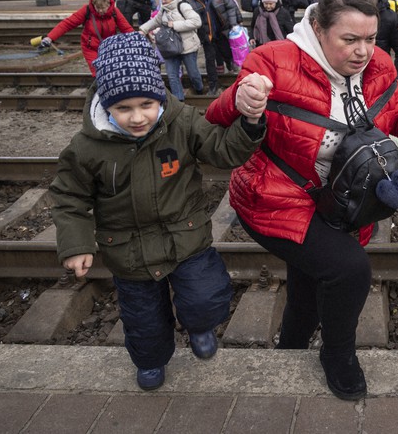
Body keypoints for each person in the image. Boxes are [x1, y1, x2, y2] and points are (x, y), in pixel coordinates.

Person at [204, 0, 398, 401]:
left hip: (340, 201)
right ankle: (338, 355)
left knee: (309, 282)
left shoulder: (377, 65)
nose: (363, 51)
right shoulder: (272, 61)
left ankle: (289, 349)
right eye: (350, 39)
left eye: (370, 39)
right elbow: (215, 118)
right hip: (274, 196)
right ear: (318, 29)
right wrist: (242, 98)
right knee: (348, 269)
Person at [50, 31, 268, 392]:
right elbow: (70, 196)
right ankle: (151, 360)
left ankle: (199, 327)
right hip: (128, 252)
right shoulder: (87, 147)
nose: (137, 117)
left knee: (205, 295)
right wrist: (75, 244)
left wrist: (249, 124)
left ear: (159, 95)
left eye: (146, 105)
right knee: (143, 317)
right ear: (106, 105)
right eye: (123, 108)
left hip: (186, 236)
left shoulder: (180, 121)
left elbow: (220, 149)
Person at [41, 0, 133, 76]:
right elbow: (68, 23)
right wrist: (50, 37)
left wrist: (137, 40)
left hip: (110, 48)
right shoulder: (87, 10)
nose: (100, 11)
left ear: (108, 5)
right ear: (94, 5)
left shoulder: (114, 12)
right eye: (98, 8)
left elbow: (126, 28)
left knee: (112, 72)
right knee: (98, 73)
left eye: (103, 8)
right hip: (91, 48)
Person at [139, 0, 205, 101]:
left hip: (187, 46)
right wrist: (143, 29)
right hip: (170, 47)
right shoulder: (163, 9)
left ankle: (199, 89)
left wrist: (174, 25)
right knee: (172, 76)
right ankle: (179, 100)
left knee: (193, 73)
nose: (162, 2)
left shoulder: (183, 6)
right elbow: (156, 21)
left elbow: (196, 21)